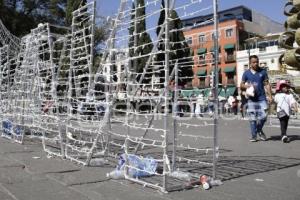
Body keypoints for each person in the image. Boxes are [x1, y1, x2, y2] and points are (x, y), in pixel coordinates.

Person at [240, 55, 273, 142]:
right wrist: (247, 85)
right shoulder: (246, 73)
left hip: (262, 98)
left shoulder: (263, 72)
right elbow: (241, 85)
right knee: (252, 118)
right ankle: (254, 136)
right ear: (250, 63)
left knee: (264, 116)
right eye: (254, 62)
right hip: (251, 99)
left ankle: (258, 129)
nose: (256, 63)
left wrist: (270, 96)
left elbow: (267, 84)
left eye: (257, 62)